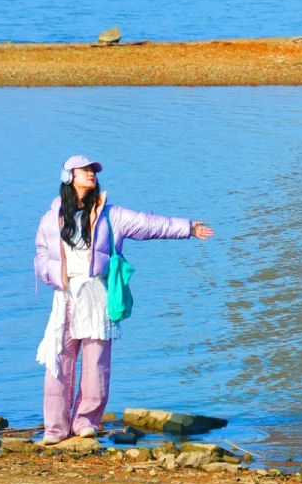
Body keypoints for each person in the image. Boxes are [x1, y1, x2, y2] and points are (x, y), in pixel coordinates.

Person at [33, 155, 213, 443]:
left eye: (93, 171)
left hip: (96, 295)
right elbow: (41, 250)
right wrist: (50, 273)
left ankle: (85, 422)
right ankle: (56, 428)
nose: (91, 174)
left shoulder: (110, 214)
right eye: (85, 171)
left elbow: (148, 224)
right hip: (65, 296)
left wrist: (187, 228)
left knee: (96, 364)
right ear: (69, 177)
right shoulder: (51, 217)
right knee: (59, 361)